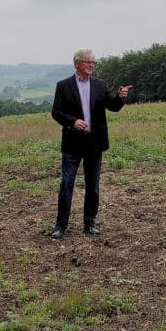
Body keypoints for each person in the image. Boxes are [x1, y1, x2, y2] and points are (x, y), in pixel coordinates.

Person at [50, 49, 132, 239]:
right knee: (67, 184)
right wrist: (73, 122)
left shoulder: (100, 85)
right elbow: (56, 112)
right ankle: (61, 226)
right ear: (77, 63)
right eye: (88, 62)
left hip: (94, 143)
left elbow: (113, 106)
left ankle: (89, 223)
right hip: (72, 143)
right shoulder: (63, 86)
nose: (92, 65)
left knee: (93, 185)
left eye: (93, 62)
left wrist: (120, 97)